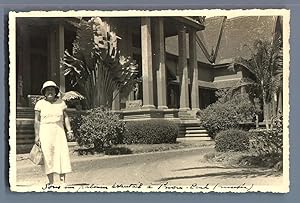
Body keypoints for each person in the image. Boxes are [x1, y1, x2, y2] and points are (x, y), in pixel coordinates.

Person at [34, 81, 73, 186]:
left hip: (59, 130)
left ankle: (62, 181)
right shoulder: (40, 104)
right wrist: (37, 135)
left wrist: (69, 130)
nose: (50, 92)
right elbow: (37, 120)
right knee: (48, 155)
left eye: (52, 89)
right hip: (45, 131)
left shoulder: (61, 103)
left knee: (61, 154)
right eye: (47, 90)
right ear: (44, 92)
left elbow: (65, 117)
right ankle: (51, 182)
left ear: (56, 91)